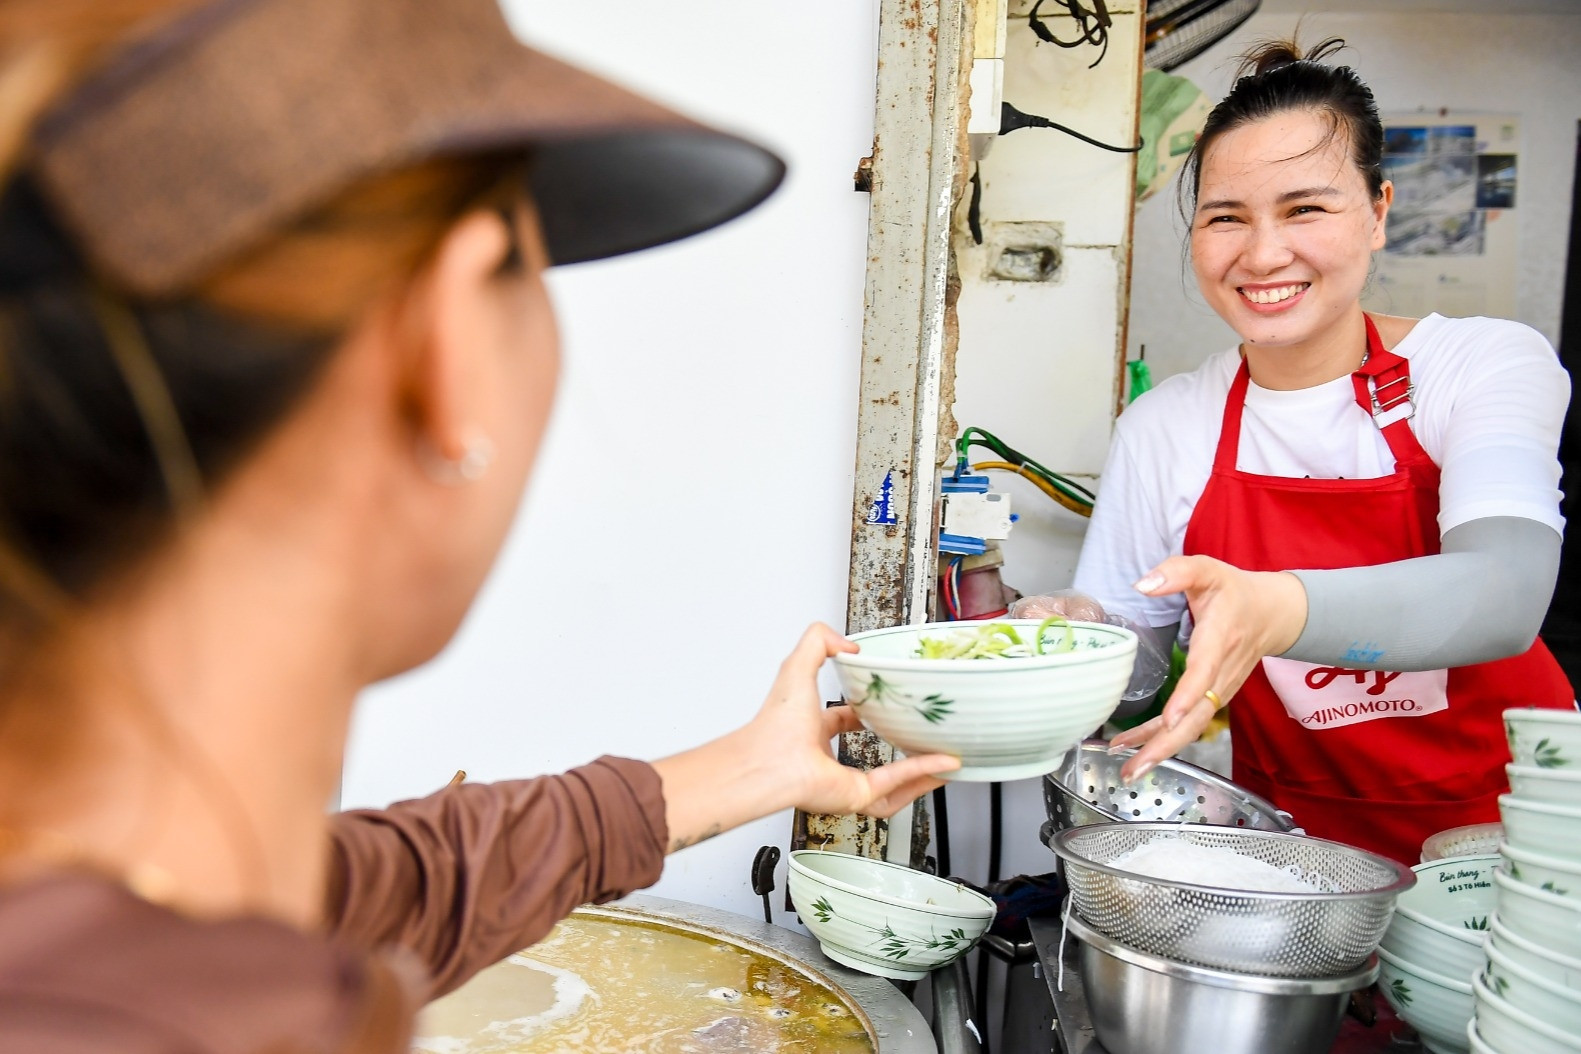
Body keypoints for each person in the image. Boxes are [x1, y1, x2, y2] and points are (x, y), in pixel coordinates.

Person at [0, 1, 957, 1049]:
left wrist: (755, 766)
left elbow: (377, 888)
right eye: (531, 265)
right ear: (445, 341)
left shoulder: (119, 915)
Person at [1068, 38, 1575, 865]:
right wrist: (1063, 630)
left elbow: (1506, 594)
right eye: (1225, 216)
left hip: (1513, 843)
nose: (1262, 254)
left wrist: (1273, 608)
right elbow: (1132, 670)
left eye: (1304, 209)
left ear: (1378, 212)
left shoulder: (1477, 365)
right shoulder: (1165, 425)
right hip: (1298, 854)